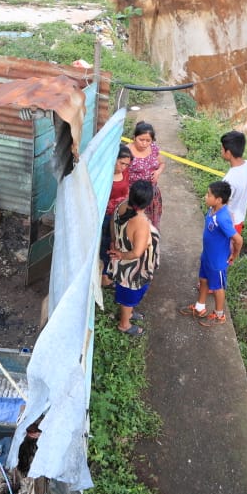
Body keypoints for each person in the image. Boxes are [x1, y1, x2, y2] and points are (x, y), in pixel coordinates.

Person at [179, 180, 242, 327]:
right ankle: (200, 307)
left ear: (219, 200)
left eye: (208, 195)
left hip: (217, 261)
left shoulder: (222, 218)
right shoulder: (213, 209)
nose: (205, 197)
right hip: (207, 256)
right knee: (203, 281)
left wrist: (235, 254)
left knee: (218, 288)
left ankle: (219, 315)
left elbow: (238, 239)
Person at [106, 180, 159, 336]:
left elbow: (111, 222)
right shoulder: (141, 223)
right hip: (133, 269)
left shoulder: (121, 205)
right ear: (148, 202)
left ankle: (127, 313)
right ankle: (124, 324)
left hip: (122, 264)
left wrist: (114, 241)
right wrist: (122, 254)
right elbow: (136, 253)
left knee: (126, 295)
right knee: (129, 295)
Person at [100, 144, 133, 285]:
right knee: (105, 243)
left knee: (116, 243)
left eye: (126, 164)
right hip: (106, 216)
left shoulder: (125, 172)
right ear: (114, 158)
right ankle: (103, 275)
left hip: (121, 214)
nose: (123, 167)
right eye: (121, 163)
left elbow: (127, 189)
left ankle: (111, 270)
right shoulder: (103, 174)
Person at [126, 121, 165, 228]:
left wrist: (158, 172)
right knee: (134, 225)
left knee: (151, 224)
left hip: (152, 194)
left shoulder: (153, 148)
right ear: (134, 137)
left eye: (148, 140)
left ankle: (150, 241)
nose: (144, 143)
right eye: (141, 139)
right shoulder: (127, 151)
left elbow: (162, 163)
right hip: (134, 196)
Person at [221, 130, 247, 234]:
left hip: (228, 224)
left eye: (222, 148)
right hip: (240, 221)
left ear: (228, 153)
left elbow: (220, 207)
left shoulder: (229, 179)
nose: (221, 151)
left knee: (224, 249)